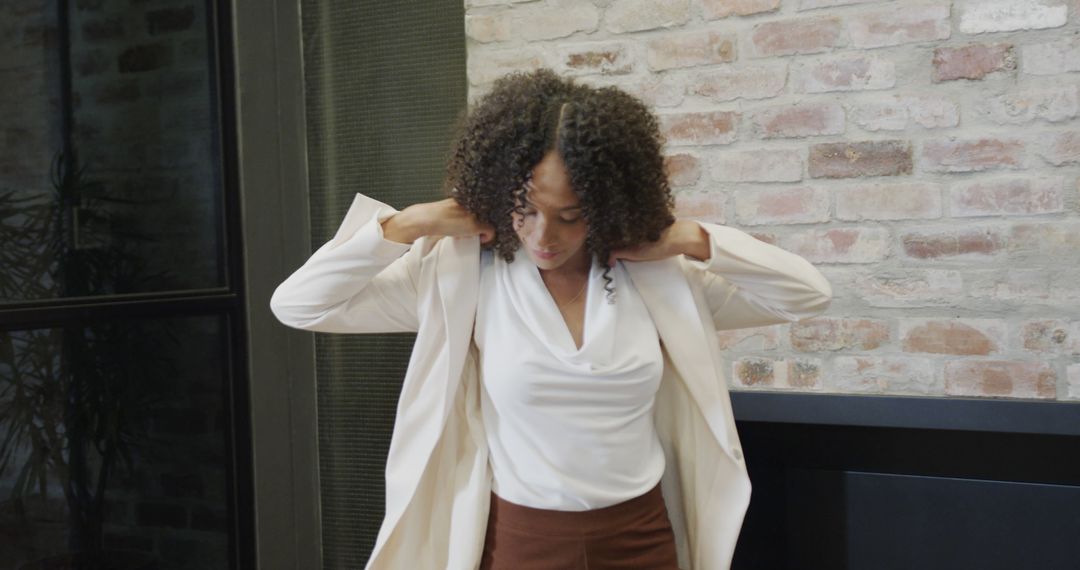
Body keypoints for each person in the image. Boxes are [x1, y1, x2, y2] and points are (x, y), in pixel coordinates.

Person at [270, 69, 832, 569]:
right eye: (524, 208)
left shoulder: (658, 279)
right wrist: (407, 225)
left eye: (571, 216)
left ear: (609, 203)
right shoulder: (459, 278)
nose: (543, 236)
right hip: (519, 542)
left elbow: (805, 294)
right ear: (494, 190)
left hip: (642, 538)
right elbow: (299, 304)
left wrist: (697, 239)